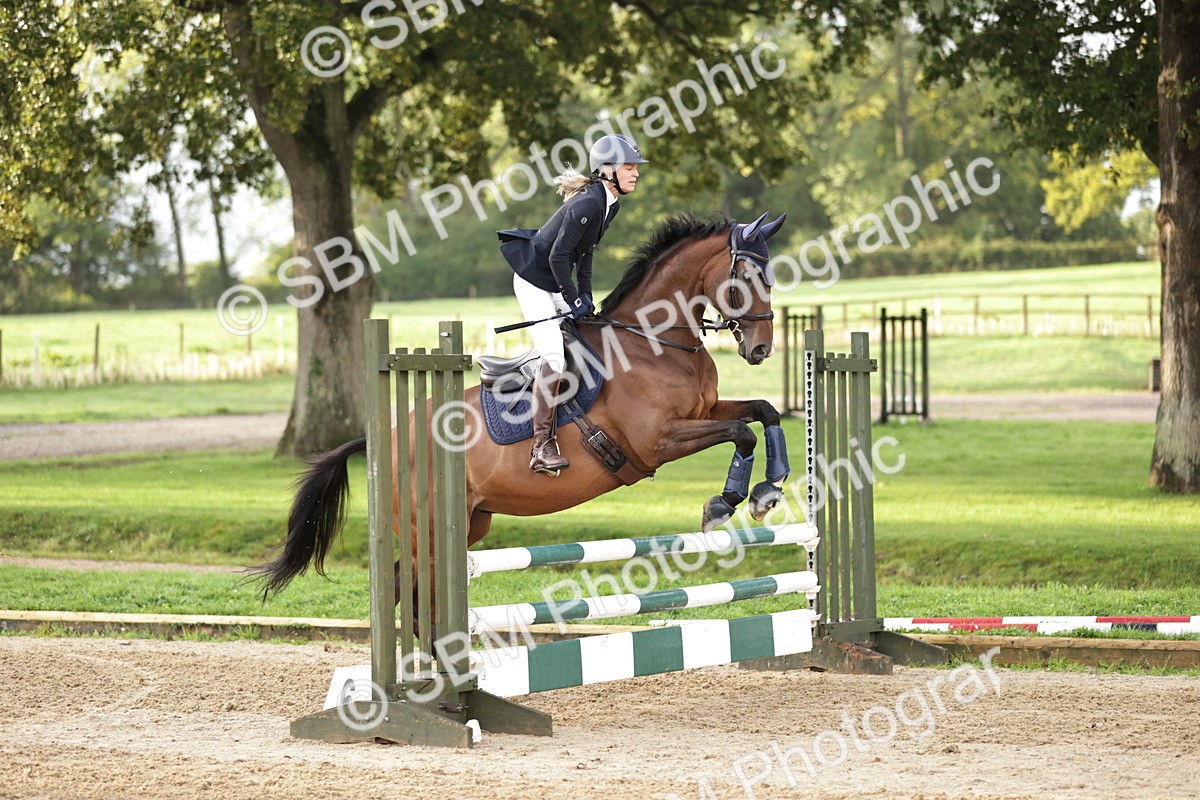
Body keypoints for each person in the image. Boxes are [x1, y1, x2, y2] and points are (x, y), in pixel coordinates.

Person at [497, 133, 648, 474]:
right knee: (554, 354)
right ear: (607, 170)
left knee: (587, 336)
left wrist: (587, 295)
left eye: (636, 167)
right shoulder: (588, 203)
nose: (636, 173)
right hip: (535, 281)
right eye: (629, 167)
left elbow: (586, 254)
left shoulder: (609, 203)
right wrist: (573, 297)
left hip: (555, 279)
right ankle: (541, 447)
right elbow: (559, 256)